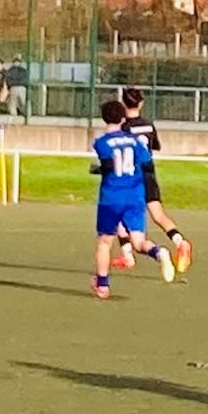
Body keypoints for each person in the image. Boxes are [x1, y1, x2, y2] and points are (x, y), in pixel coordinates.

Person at [90, 99, 174, 299]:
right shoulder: (135, 141)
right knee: (139, 241)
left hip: (112, 198)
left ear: (104, 118)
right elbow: (146, 161)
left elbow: (109, 167)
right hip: (135, 195)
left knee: (105, 242)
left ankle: (102, 285)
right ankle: (159, 252)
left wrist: (98, 170)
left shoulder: (101, 143)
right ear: (123, 118)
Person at [113, 87, 193, 273]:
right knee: (158, 216)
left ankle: (128, 255)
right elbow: (155, 146)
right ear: (141, 103)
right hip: (148, 175)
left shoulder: (123, 128)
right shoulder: (149, 125)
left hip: (131, 179)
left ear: (123, 103)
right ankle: (180, 242)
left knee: (117, 215)